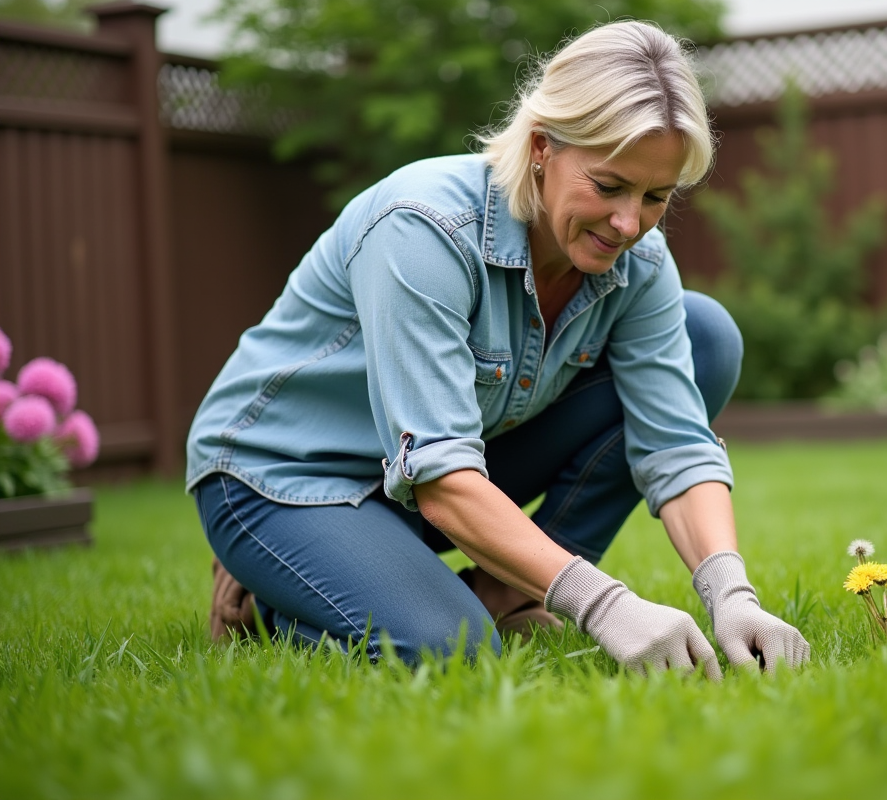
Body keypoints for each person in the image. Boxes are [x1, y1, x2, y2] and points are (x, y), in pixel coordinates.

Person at [187, 20, 811, 677]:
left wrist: (732, 598)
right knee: (450, 649)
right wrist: (606, 606)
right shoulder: (424, 230)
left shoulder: (638, 260)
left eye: (656, 197)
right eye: (608, 186)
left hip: (431, 468)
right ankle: (275, 587)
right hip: (287, 477)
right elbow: (438, 472)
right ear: (542, 146)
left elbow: (676, 443)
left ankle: (502, 594)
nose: (629, 223)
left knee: (704, 337)